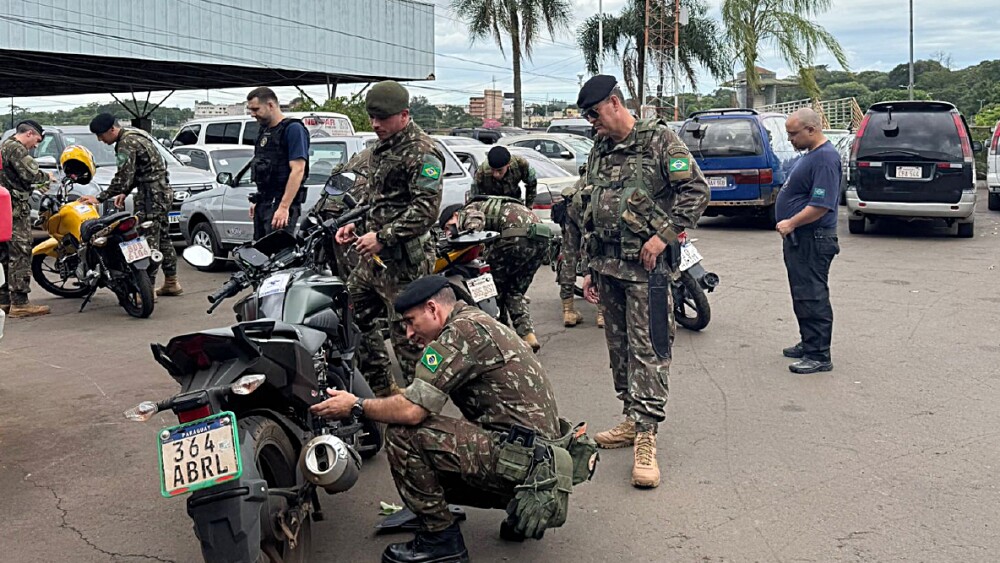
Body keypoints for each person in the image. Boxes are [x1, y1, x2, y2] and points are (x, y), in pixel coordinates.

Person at [310, 275, 593, 563]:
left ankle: (441, 540)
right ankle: (516, 511)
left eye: (410, 321)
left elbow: (412, 410)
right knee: (434, 434)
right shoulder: (475, 320)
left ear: (433, 309)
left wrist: (355, 404)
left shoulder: (460, 334)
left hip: (525, 466)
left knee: (402, 434)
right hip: (539, 460)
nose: (408, 333)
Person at [577, 75, 709, 488]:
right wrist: (589, 268)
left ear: (614, 103)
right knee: (619, 350)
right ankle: (631, 419)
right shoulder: (600, 147)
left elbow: (697, 191)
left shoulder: (660, 141)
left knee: (649, 349)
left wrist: (661, 236)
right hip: (609, 268)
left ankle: (647, 435)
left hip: (647, 273)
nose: (590, 122)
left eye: (594, 113)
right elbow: (591, 203)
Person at [334, 81, 444, 396]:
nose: (375, 124)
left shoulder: (423, 152)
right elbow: (378, 199)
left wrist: (382, 236)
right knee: (353, 313)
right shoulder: (383, 148)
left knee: (409, 336)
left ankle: (421, 404)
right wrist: (355, 224)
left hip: (405, 264)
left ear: (404, 115)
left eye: (382, 118)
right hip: (375, 261)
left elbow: (426, 211)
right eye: (371, 117)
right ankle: (385, 391)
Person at [78, 114, 181, 298]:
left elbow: (123, 176)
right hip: (161, 192)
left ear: (112, 130)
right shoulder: (138, 134)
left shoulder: (126, 143)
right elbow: (145, 169)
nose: (100, 140)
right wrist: (126, 191)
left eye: (101, 135)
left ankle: (146, 290)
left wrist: (100, 198)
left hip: (150, 196)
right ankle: (171, 281)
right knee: (163, 237)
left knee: (147, 240)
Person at [438, 195, 551, 352]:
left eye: (449, 227)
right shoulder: (490, 203)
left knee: (494, 289)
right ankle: (528, 336)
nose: (450, 233)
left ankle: (503, 338)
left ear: (455, 215)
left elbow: (475, 220)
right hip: (541, 239)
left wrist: (469, 233)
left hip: (515, 238)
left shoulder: (467, 210)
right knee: (515, 291)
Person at [776, 108, 842, 374]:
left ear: (811, 130)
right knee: (802, 293)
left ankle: (819, 355)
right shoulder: (812, 156)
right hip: (800, 238)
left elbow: (822, 204)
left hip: (813, 237)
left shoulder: (825, 158)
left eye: (794, 134)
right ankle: (809, 342)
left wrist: (791, 222)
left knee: (812, 294)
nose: (790, 139)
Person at [0, 120, 53, 317]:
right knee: (21, 251)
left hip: (5, 208)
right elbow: (31, 175)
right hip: (15, 209)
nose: (36, 145)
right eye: (37, 140)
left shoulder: (4, 146)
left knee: (5, 253)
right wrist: (47, 177)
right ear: (29, 133)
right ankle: (20, 303)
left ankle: (4, 300)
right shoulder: (17, 149)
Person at [246, 87, 310, 241]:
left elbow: (298, 170)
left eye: (256, 109)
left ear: (270, 105)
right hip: (264, 203)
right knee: (259, 254)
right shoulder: (264, 131)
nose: (253, 114)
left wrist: (284, 207)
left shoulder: (293, 129)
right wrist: (259, 200)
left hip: (280, 205)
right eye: (250, 110)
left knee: (277, 255)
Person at [311, 147, 374, 280]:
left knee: (344, 275)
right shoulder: (384, 153)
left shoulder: (370, 153)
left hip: (334, 213)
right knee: (354, 275)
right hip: (345, 216)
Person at [555, 168, 603, 328]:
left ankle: (568, 310)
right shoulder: (608, 167)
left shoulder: (589, 170)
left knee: (568, 257)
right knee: (597, 255)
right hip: (590, 209)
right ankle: (602, 312)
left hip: (572, 208)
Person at [471, 146, 538, 207]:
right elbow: (473, 198)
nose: (495, 174)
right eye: (492, 170)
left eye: (499, 170)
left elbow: (532, 184)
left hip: (514, 201)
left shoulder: (520, 164)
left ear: (508, 164)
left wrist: (528, 208)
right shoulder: (481, 172)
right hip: (491, 204)